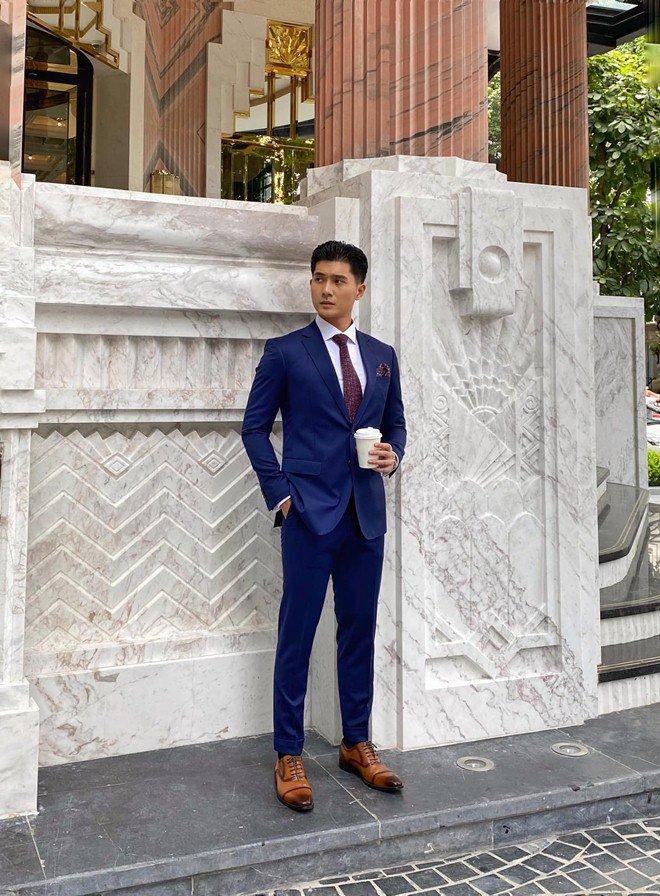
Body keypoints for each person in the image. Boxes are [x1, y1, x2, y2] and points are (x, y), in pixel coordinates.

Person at [241, 240, 407, 812]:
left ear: (360, 288)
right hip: (308, 515)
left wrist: (392, 455)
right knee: (298, 631)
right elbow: (254, 428)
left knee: (358, 629)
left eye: (338, 280)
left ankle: (356, 742)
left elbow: (396, 425)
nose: (326, 289)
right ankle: (288, 752)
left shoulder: (382, 355)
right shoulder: (286, 352)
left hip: (366, 515)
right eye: (318, 279)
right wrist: (282, 496)